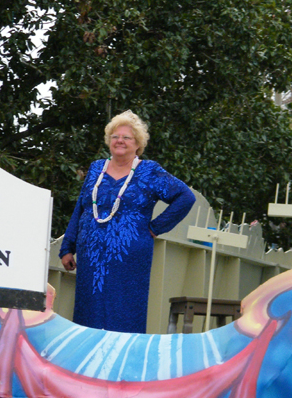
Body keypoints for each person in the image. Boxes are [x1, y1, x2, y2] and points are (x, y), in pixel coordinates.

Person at [59, 110, 195, 333]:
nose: (119, 141)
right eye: (115, 136)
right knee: (88, 316)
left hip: (129, 258)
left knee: (123, 315)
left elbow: (185, 197)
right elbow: (81, 208)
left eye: (126, 137)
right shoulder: (96, 169)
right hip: (90, 257)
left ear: (137, 144)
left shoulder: (149, 171)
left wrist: (154, 228)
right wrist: (67, 247)